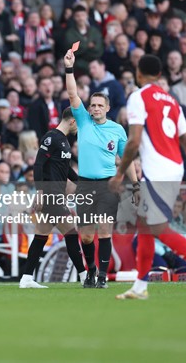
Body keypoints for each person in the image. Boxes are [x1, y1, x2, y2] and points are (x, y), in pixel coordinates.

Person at [110, 55, 186, 300]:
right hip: (175, 167)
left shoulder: (138, 97)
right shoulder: (172, 102)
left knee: (156, 226)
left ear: (139, 74)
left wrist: (120, 174)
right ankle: (140, 287)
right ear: (160, 75)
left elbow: (134, 141)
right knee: (145, 226)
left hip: (157, 169)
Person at [64, 44, 138, 289]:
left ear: (107, 108)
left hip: (107, 185)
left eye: (99, 105)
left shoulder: (117, 130)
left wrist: (136, 185)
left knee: (104, 230)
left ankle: (103, 277)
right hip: (85, 184)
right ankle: (91, 271)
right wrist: (69, 68)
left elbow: (126, 159)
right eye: (92, 104)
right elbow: (73, 94)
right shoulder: (83, 121)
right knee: (86, 234)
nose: (94, 108)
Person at [19, 107, 88, 289]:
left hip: (56, 193)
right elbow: (38, 165)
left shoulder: (64, 142)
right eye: (78, 123)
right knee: (71, 233)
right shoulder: (51, 138)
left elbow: (66, 170)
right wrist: (40, 192)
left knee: (40, 236)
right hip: (51, 194)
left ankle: (26, 278)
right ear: (72, 121)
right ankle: (84, 276)